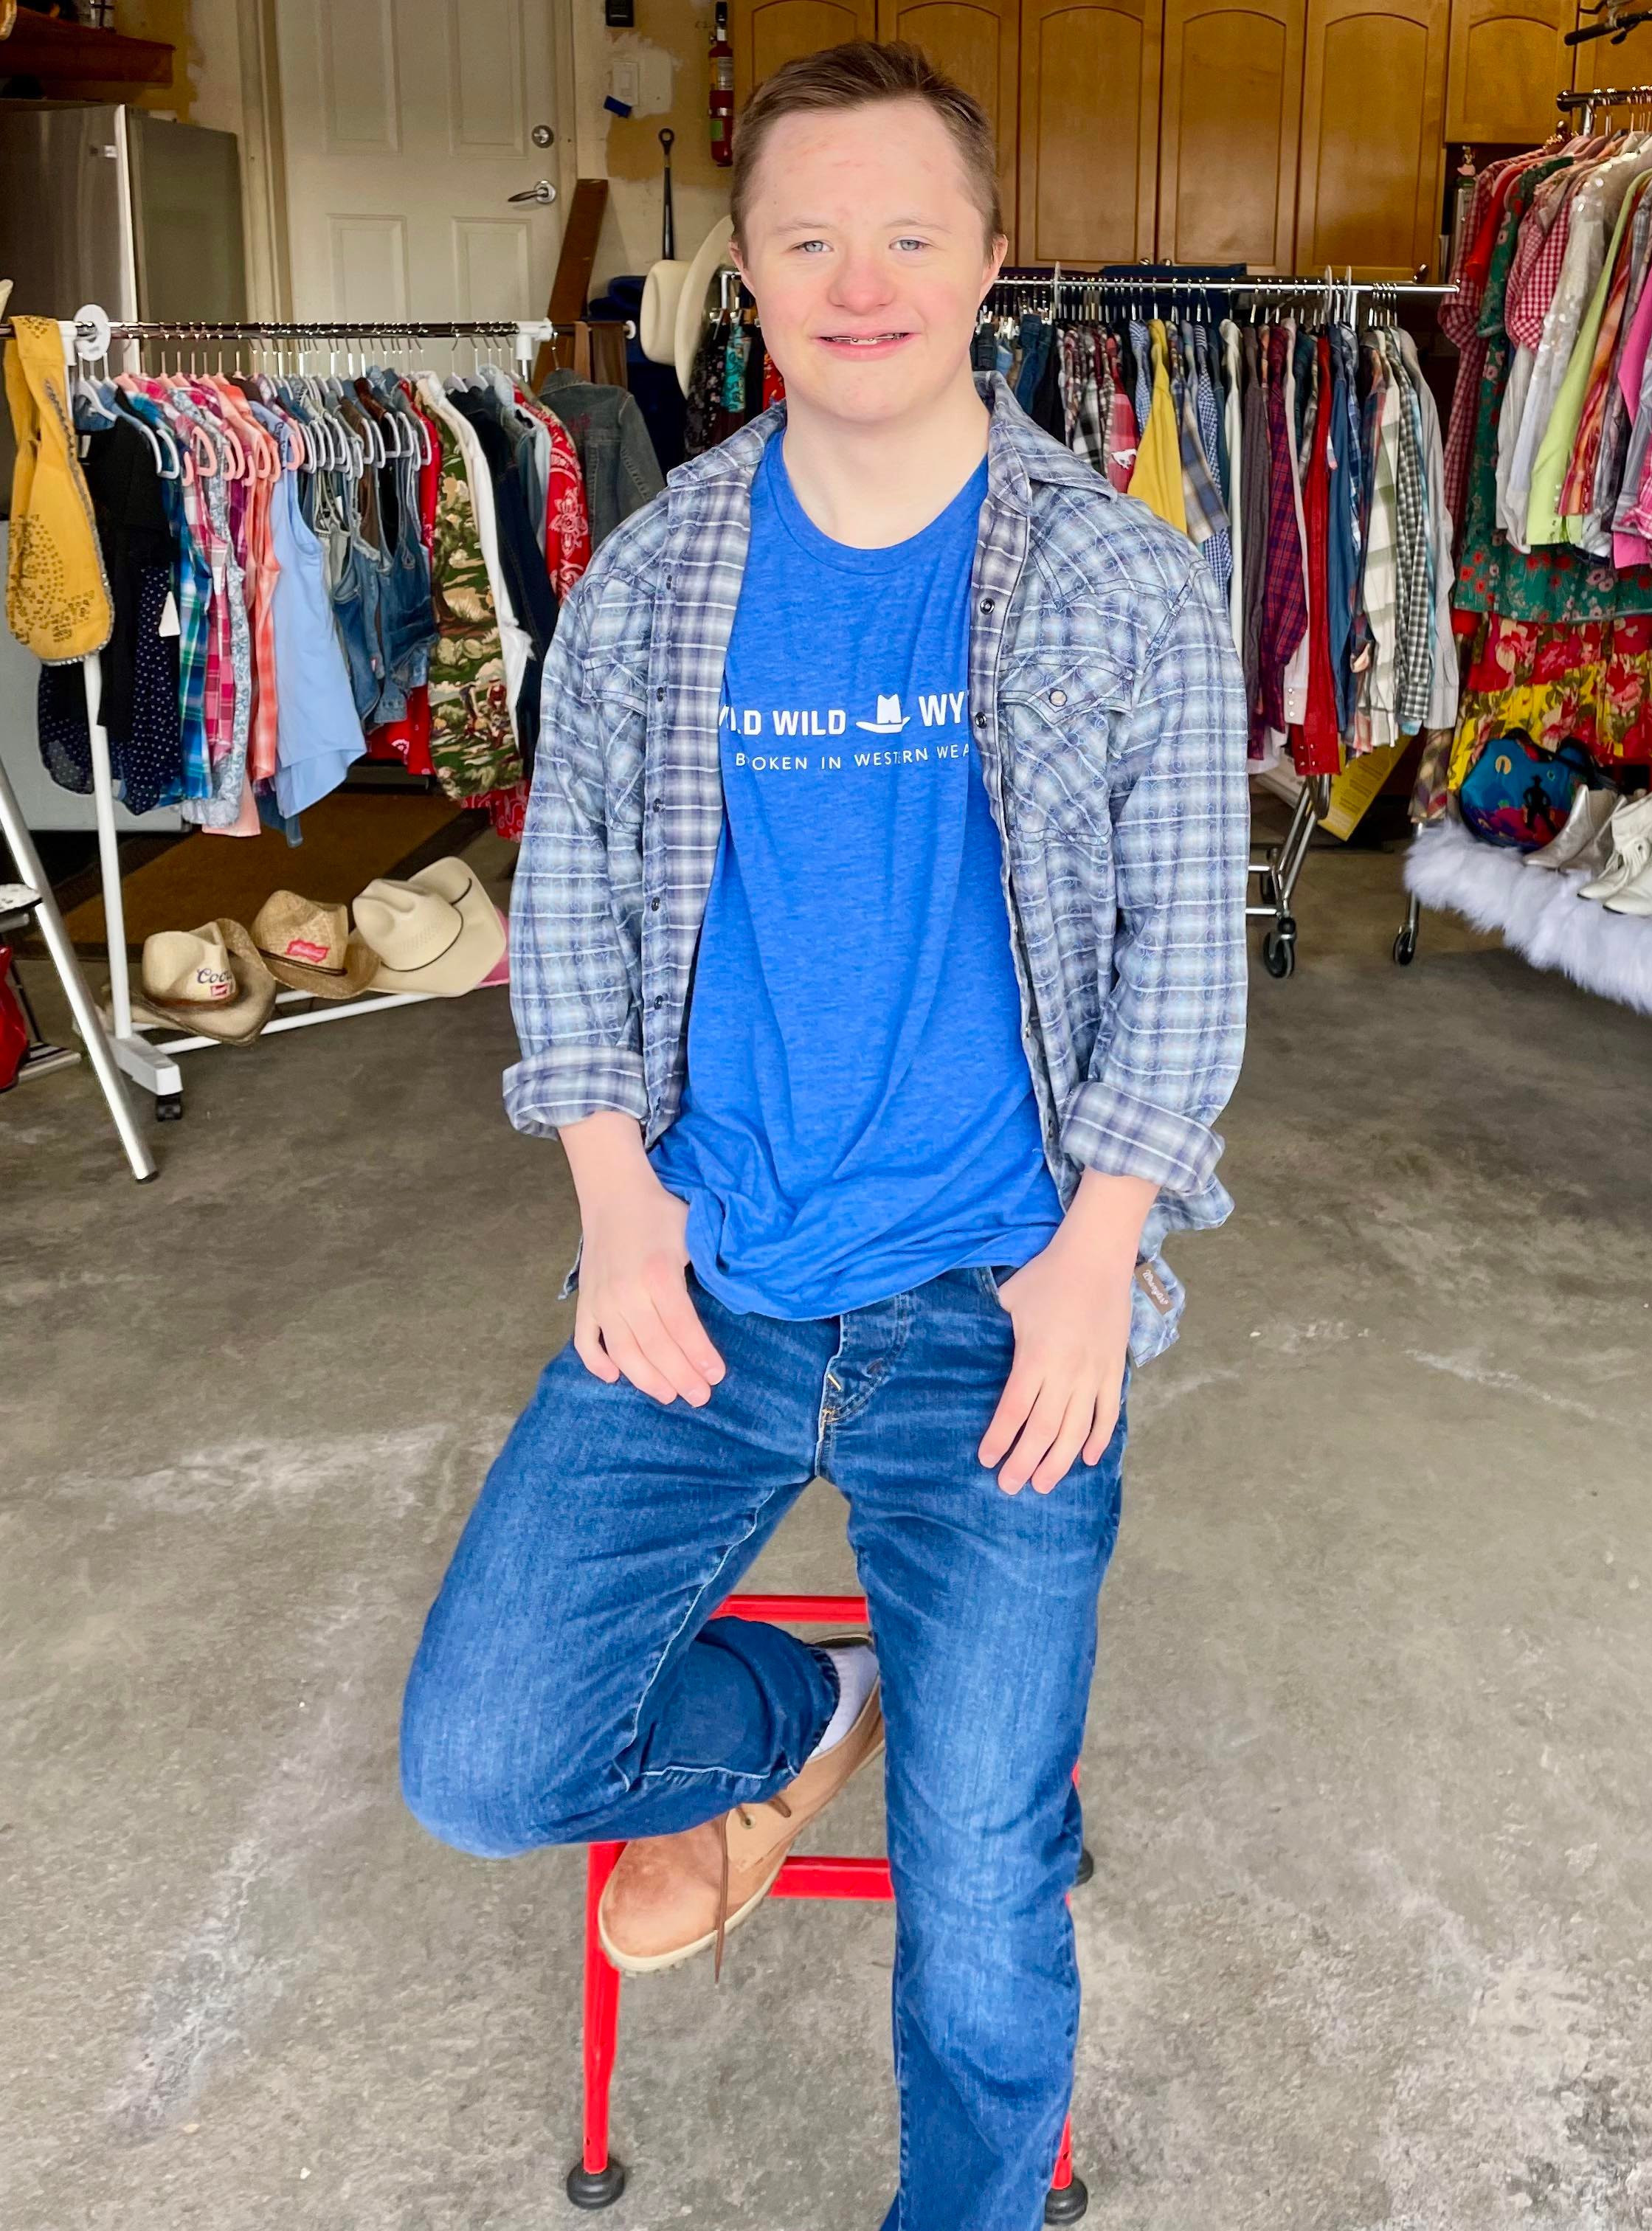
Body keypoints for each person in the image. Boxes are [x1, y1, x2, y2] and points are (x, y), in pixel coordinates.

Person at [398, 39, 1248, 2230]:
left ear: (989, 260)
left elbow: (1186, 957)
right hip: (714, 1280)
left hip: (997, 1305)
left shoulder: (1123, 580)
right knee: (485, 1765)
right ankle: (809, 1707)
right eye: (807, 242)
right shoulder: (655, 579)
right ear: (748, 281)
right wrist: (616, 1214)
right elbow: (572, 915)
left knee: (984, 1893)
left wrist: (1098, 1255)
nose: (860, 286)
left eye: (906, 236)